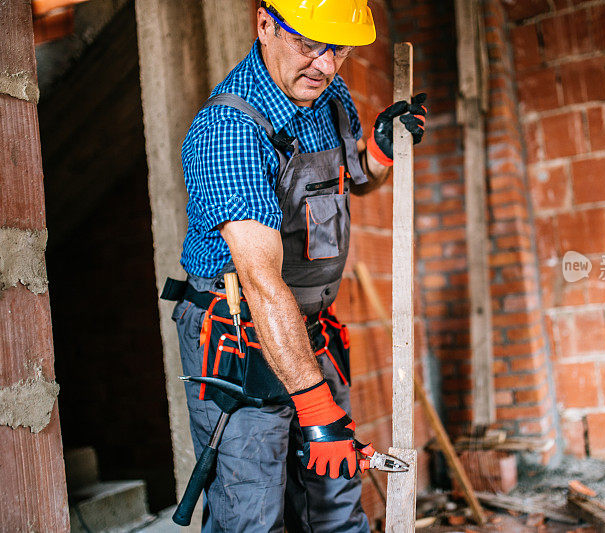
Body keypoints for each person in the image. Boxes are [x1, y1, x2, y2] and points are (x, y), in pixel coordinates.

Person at [165, 1, 428, 531]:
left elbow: (350, 179)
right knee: (254, 514)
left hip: (308, 329)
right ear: (265, 25)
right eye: (310, 44)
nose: (326, 65)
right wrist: (315, 405)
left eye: (339, 49)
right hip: (236, 334)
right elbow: (261, 282)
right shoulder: (229, 130)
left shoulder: (328, 94)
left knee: (334, 506)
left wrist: (377, 153)